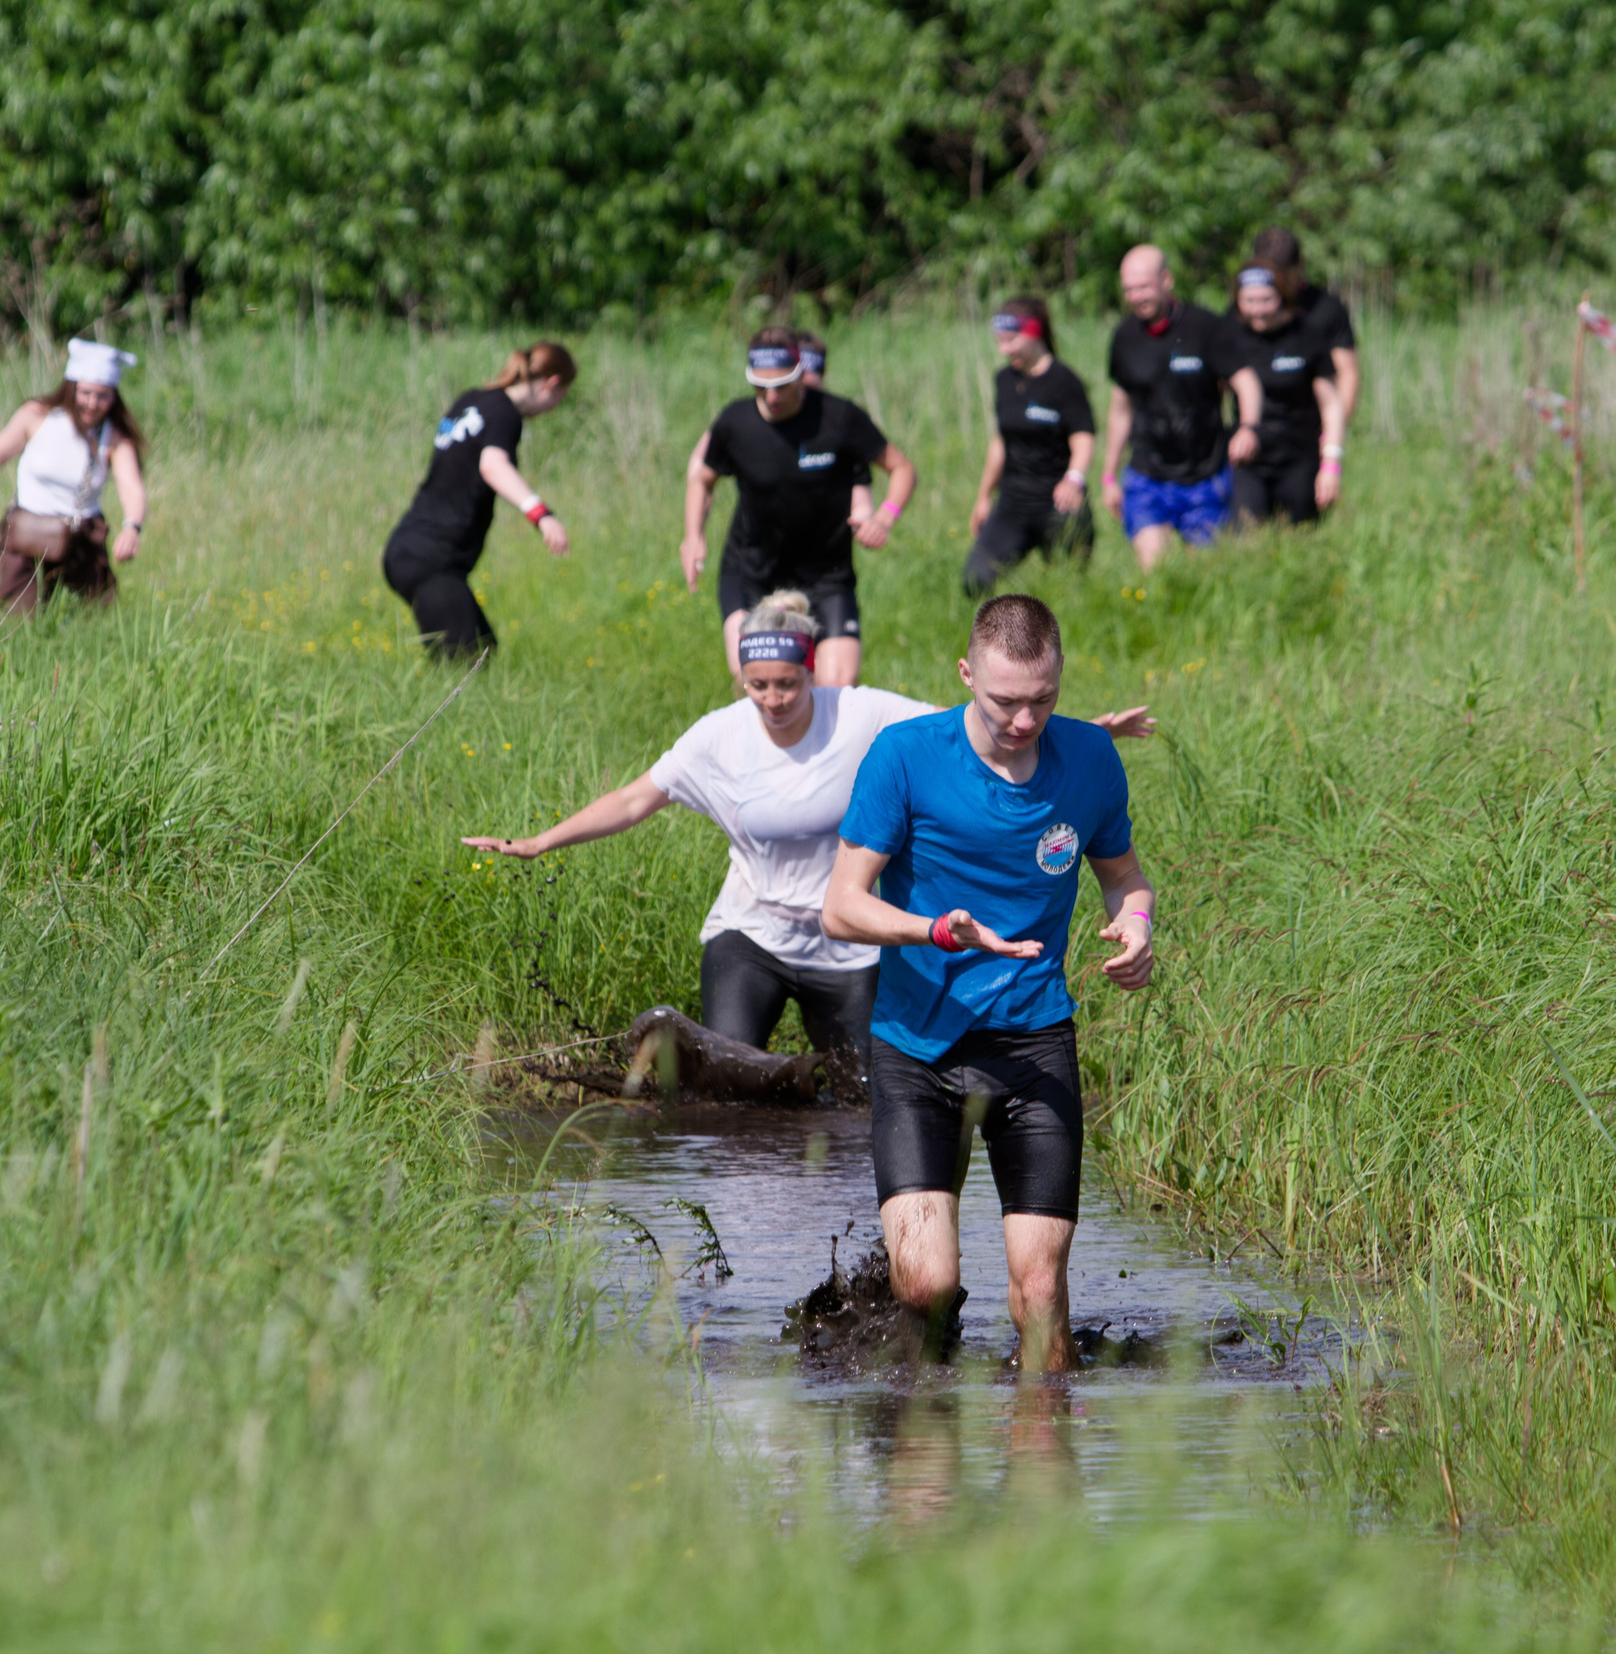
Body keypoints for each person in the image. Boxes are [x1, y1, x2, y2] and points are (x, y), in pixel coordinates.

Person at [462, 592, 1152, 1061]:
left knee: (858, 1099)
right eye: (757, 684)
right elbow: (634, 799)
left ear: (809, 669)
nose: (772, 699)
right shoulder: (717, 737)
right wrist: (540, 840)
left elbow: (977, 725)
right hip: (752, 930)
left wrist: (1083, 733)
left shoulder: (861, 714)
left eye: (786, 683)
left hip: (846, 942)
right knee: (730, 1081)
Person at [824, 593, 1156, 1375]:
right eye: (1005, 700)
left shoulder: (1092, 760)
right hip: (917, 1046)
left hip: (1034, 1039)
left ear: (1060, 676)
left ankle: (1043, 1467)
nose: (1024, 719)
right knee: (928, 1283)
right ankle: (924, 1443)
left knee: (1040, 1294)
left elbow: (1125, 878)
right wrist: (938, 930)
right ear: (967, 673)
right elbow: (841, 907)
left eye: (1043, 699)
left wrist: (1136, 923)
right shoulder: (905, 755)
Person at [682, 329, 916, 686]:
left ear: (800, 371)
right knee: (756, 680)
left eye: (782, 385)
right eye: (760, 386)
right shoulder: (735, 422)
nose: (771, 397)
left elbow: (901, 468)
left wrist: (885, 517)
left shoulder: (839, 417)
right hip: (752, 571)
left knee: (837, 687)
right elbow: (703, 478)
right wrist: (693, 536)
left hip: (826, 574)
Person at [0, 338, 149, 611]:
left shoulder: (114, 437)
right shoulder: (37, 416)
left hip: (83, 537)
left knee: (94, 616)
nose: (93, 403)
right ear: (71, 388)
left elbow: (131, 488)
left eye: (103, 396)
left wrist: (132, 527)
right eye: (86, 393)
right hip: (25, 531)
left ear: (114, 397)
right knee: (17, 619)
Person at [380, 343, 575, 654]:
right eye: (560, 398)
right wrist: (541, 514)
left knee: (483, 652)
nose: (553, 407)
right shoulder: (506, 414)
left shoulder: (472, 400)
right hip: (432, 559)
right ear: (551, 384)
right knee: (466, 664)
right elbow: (493, 465)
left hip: (409, 546)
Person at [1099, 245, 1264, 570]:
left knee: (1200, 575)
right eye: (1129, 289)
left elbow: (1246, 382)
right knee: (1154, 568)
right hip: (1148, 476)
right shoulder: (1124, 337)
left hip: (1204, 477)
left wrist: (1248, 428)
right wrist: (1108, 475)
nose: (1136, 296)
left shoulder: (1206, 327)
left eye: (1143, 287)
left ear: (1166, 280)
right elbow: (1120, 408)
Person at [963, 296, 1096, 595]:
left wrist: (1074, 479)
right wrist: (984, 496)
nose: (1004, 349)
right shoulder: (1004, 380)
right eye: (1000, 341)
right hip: (1013, 502)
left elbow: (1084, 437)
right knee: (975, 581)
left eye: (1011, 340)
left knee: (1068, 589)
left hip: (1059, 502)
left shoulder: (1064, 382)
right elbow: (1001, 441)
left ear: (1035, 333)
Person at [1223, 231, 1354, 527]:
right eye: (1250, 301)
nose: (1257, 309)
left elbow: (1336, 395)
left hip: (1300, 453)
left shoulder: (1310, 333)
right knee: (1246, 535)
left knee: (1299, 540)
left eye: (1266, 299)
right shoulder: (1229, 331)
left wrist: (1330, 458)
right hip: (1249, 459)